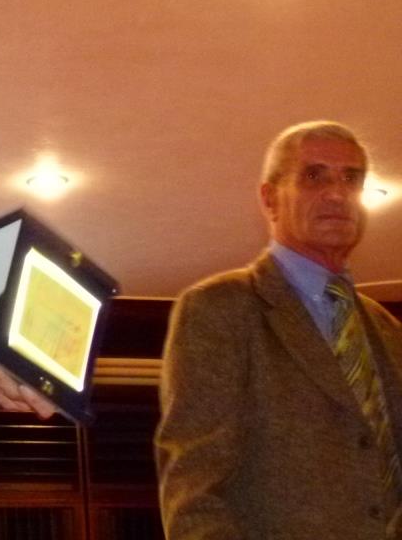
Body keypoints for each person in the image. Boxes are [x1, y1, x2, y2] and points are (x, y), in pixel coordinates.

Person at [155, 121, 402, 540]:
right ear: (270, 199)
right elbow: (193, 486)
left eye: (351, 178)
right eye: (314, 176)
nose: (337, 193)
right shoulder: (220, 308)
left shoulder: (387, 328)